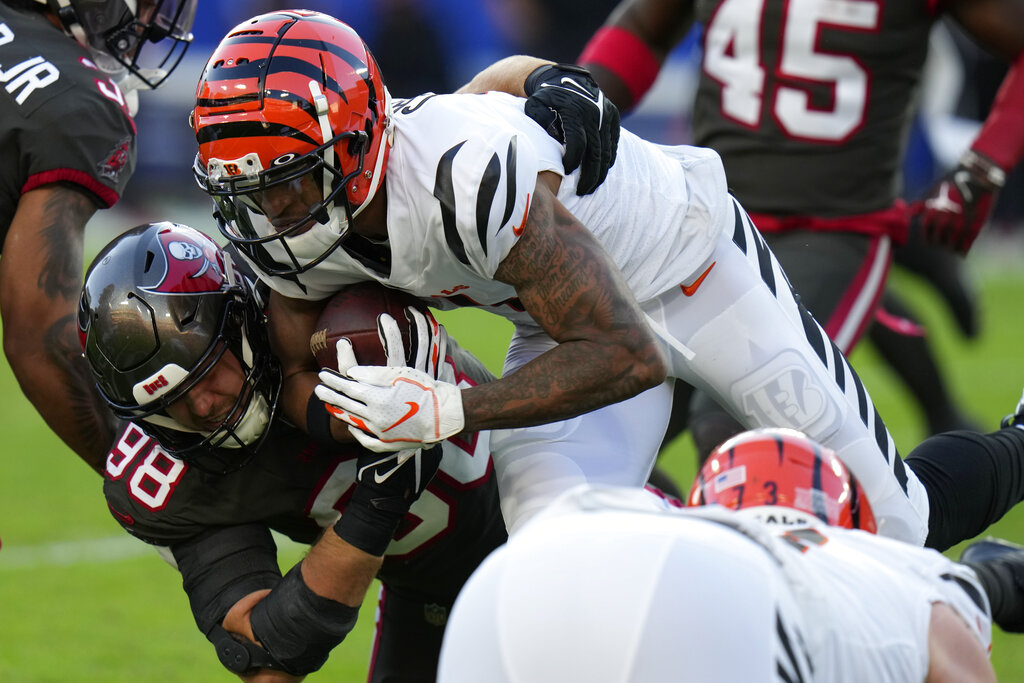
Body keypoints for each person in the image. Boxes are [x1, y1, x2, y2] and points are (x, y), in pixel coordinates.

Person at [189, 9, 1024, 551]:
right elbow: (299, 372)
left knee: (895, 525)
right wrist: (337, 415)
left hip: (695, 270)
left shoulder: (465, 178)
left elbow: (627, 354)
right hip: (560, 322)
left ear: (356, 146)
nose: (270, 209)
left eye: (289, 179)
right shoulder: (290, 232)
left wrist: (448, 410)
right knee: (558, 553)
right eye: (248, 186)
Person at [575, 0, 1024, 458]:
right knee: (590, 439)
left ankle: (959, 466)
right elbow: (646, 26)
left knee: (733, 428)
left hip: (834, 231)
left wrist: (986, 164)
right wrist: (571, 112)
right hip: (709, 222)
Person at [77, 221, 507, 682]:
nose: (201, 405)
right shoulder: (165, 480)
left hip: (545, 496)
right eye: (168, 403)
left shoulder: (301, 280)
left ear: (237, 321)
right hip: (429, 592)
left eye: (205, 373)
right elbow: (267, 657)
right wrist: (382, 496)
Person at [436, 428, 1023, 682]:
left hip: (517, 578)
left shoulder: (677, 529)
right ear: (853, 529)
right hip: (711, 611)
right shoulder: (897, 573)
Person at [0, 0, 196, 475]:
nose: (150, 25)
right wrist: (148, 482)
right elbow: (41, 343)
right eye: (147, 5)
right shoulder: (79, 104)